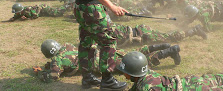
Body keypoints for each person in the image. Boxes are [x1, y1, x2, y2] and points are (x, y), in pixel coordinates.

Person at [117, 51, 223, 91]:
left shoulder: (145, 87)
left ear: (131, 73)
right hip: (187, 83)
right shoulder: (147, 75)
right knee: (214, 79)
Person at [34, 40, 181, 83]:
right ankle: (160, 46)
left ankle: (167, 52)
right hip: (104, 52)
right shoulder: (68, 46)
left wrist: (40, 73)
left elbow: (53, 77)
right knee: (131, 55)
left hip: (103, 63)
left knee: (134, 64)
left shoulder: (57, 60)